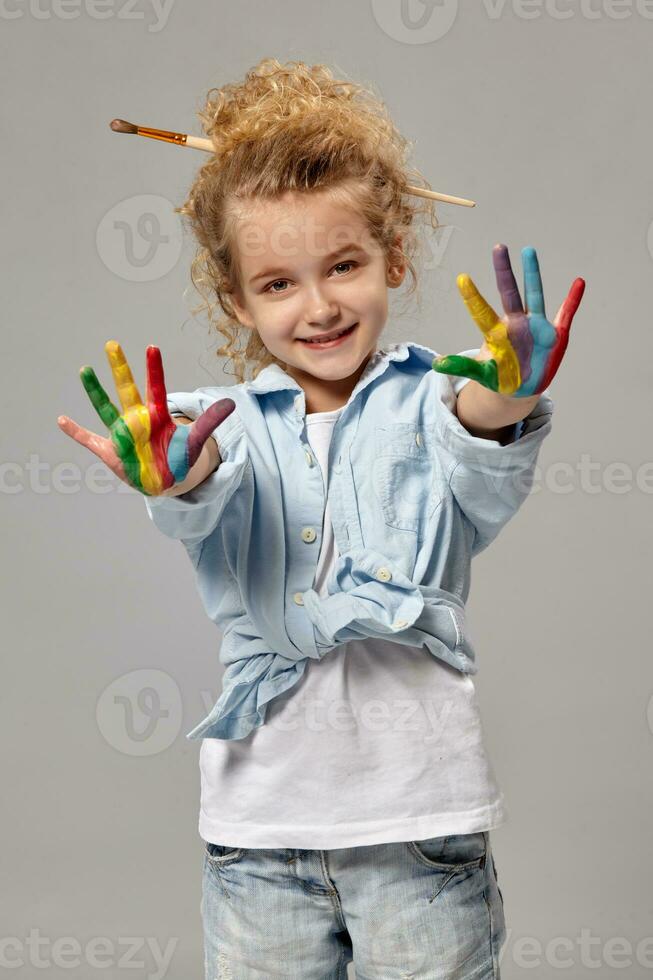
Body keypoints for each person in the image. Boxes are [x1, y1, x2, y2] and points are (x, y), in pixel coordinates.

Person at [58, 58, 584, 980]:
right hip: (257, 838)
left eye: (343, 265)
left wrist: (508, 392)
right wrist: (176, 475)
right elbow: (203, 477)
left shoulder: (433, 399)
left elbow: (478, 428)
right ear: (237, 301)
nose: (319, 305)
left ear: (393, 259)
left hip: (419, 829)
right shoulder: (219, 425)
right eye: (278, 284)